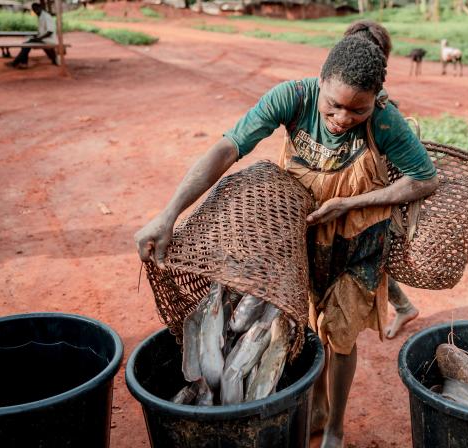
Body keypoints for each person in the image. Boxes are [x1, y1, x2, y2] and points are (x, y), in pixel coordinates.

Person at [135, 35, 438, 448]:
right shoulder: (292, 97)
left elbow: (424, 179)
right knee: (303, 323)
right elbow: (228, 147)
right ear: (320, 82)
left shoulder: (385, 120)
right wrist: (169, 213)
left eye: (358, 109)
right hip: (298, 231)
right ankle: (315, 407)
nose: (343, 118)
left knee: (340, 335)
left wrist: (353, 202)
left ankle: (335, 427)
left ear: (376, 98)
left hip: (358, 241)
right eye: (333, 105)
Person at [343, 20, 420, 340]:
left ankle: (401, 307)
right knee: (365, 255)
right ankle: (403, 306)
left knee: (369, 255)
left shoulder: (385, 107)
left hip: (371, 194)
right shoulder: (341, 89)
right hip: (351, 189)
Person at [6, 3, 58, 69]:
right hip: (44, 39)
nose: (35, 11)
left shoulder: (46, 16)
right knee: (26, 43)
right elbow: (43, 31)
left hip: (49, 40)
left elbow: (50, 32)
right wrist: (36, 36)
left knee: (26, 44)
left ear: (40, 8)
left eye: (36, 9)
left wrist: (39, 38)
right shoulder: (41, 16)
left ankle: (17, 63)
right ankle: (22, 63)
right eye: (34, 9)